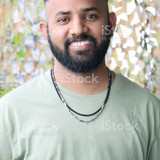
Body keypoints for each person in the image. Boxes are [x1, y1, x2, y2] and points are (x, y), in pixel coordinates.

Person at [0, 0, 160, 159]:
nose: (78, 29)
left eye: (90, 16)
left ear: (110, 24)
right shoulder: (9, 111)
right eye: (63, 19)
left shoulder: (150, 111)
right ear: (45, 32)